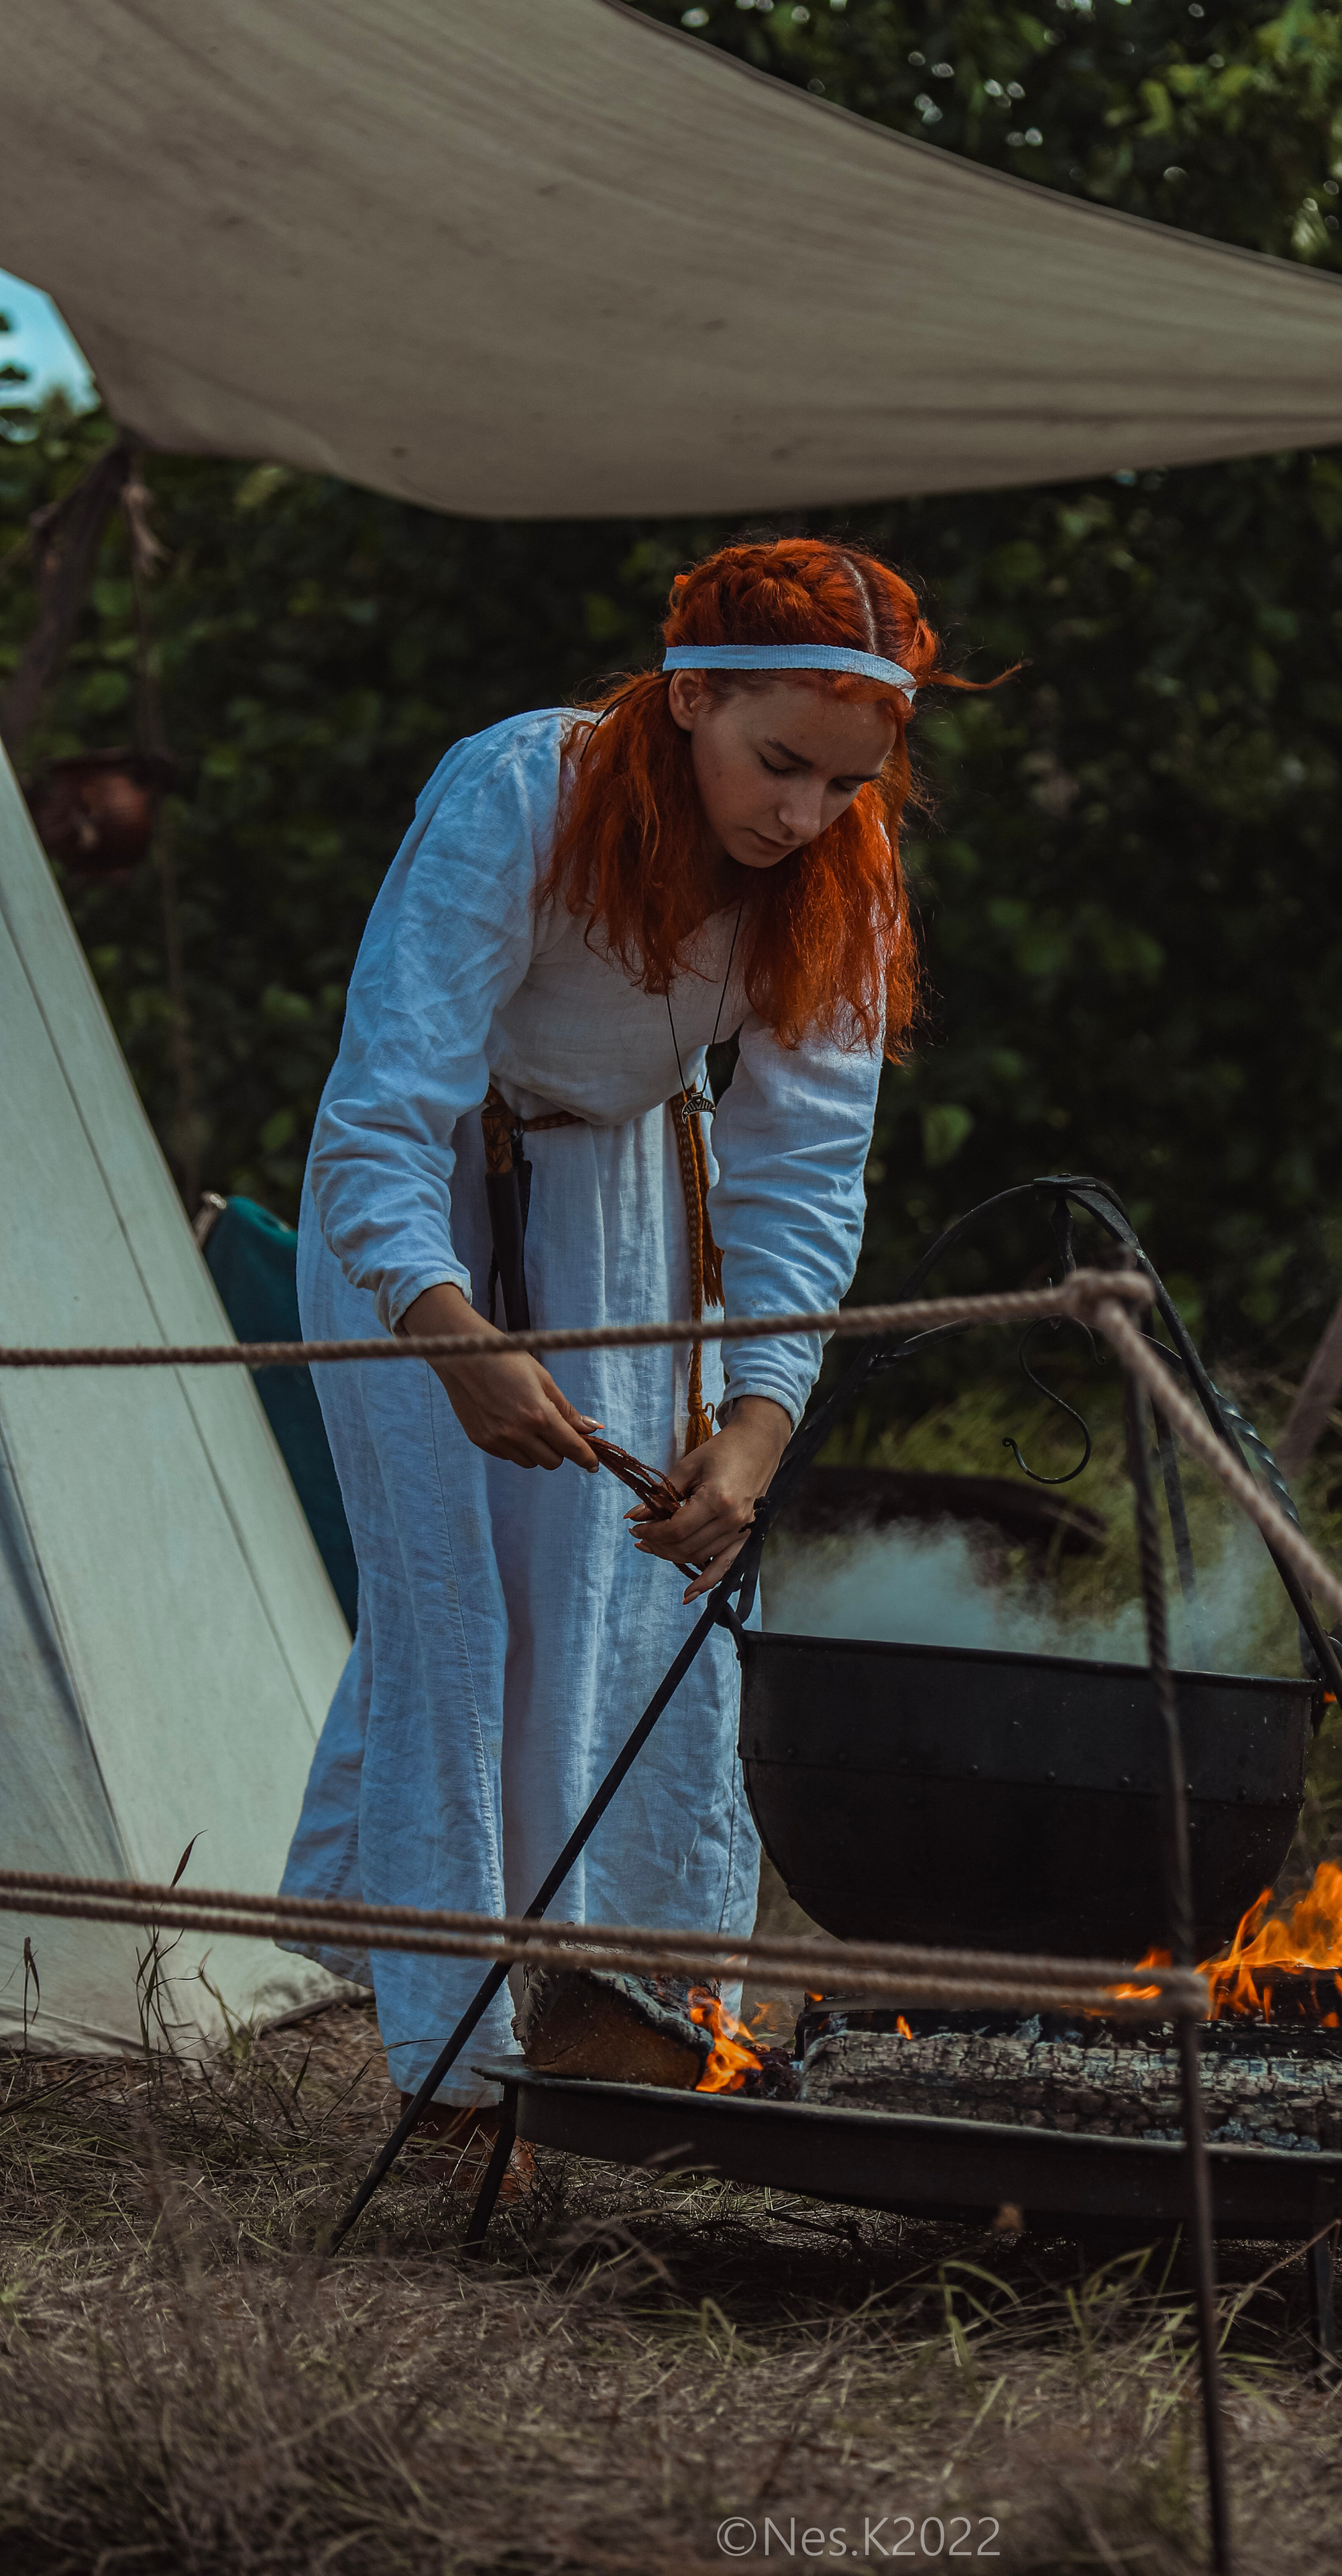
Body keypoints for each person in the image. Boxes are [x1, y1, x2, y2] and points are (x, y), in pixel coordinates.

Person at [279, 537, 960, 2129]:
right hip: (430, 1210)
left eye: (843, 784)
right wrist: (448, 1330)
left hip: (640, 1213)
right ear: (689, 696)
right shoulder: (522, 790)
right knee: (460, 1623)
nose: (800, 816)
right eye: (775, 762)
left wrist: (758, 1417)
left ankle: (644, 2039)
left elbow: (799, 1171)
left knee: (640, 1617)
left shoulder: (838, 880)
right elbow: (376, 1114)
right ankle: (453, 2089)